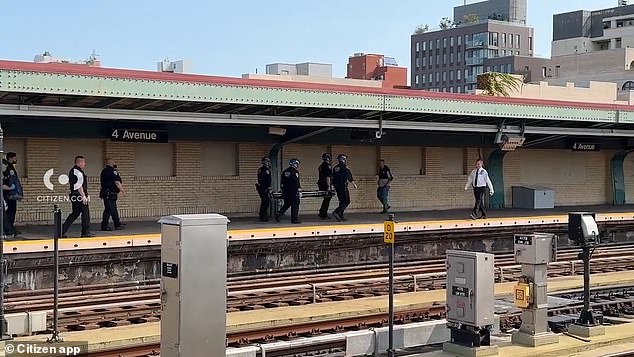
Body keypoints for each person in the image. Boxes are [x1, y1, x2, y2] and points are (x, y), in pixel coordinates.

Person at [62, 156, 94, 238]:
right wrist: (83, 196)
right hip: (79, 195)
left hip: (75, 195)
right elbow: (79, 185)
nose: (84, 164)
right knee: (85, 214)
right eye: (83, 162)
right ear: (79, 162)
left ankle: (61, 231)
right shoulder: (78, 172)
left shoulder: (73, 171)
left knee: (75, 213)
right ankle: (85, 232)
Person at [100, 159, 125, 231]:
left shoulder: (104, 171)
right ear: (110, 163)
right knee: (108, 209)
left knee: (113, 209)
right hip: (110, 193)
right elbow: (117, 182)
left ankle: (117, 224)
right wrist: (122, 190)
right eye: (114, 162)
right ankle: (104, 226)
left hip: (106, 192)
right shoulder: (113, 171)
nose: (115, 163)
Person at [275, 158, 302, 224]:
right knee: (295, 205)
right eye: (297, 164)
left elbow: (282, 182)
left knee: (287, 204)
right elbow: (296, 182)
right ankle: (294, 219)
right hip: (293, 191)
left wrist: (283, 190)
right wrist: (299, 190)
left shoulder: (285, 171)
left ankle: (279, 213)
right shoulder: (295, 172)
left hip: (286, 191)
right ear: (295, 164)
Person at [332, 154, 357, 222]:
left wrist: (334, 187)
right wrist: (354, 184)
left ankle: (341, 215)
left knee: (342, 201)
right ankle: (337, 212)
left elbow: (333, 178)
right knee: (347, 201)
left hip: (337, 187)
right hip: (343, 186)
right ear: (343, 160)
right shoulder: (345, 167)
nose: (346, 161)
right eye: (345, 159)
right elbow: (349, 176)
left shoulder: (335, 168)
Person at [3, 152, 22, 237]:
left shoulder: (8, 166)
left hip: (8, 193)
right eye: (15, 157)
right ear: (11, 158)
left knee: (10, 211)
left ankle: (10, 228)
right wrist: (13, 190)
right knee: (11, 211)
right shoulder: (9, 168)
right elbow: (11, 181)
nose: (16, 159)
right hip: (9, 193)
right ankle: (9, 229)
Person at [256, 157, 272, 222]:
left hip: (262, 187)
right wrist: (268, 187)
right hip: (264, 188)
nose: (268, 163)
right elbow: (266, 180)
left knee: (264, 201)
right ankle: (263, 215)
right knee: (266, 201)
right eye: (267, 162)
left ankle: (263, 215)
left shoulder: (261, 169)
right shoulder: (265, 170)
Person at [317, 153, 333, 220]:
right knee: (327, 199)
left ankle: (322, 212)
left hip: (321, 183)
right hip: (325, 184)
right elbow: (328, 176)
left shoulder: (321, 166)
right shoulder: (328, 166)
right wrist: (328, 186)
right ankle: (323, 214)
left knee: (326, 199)